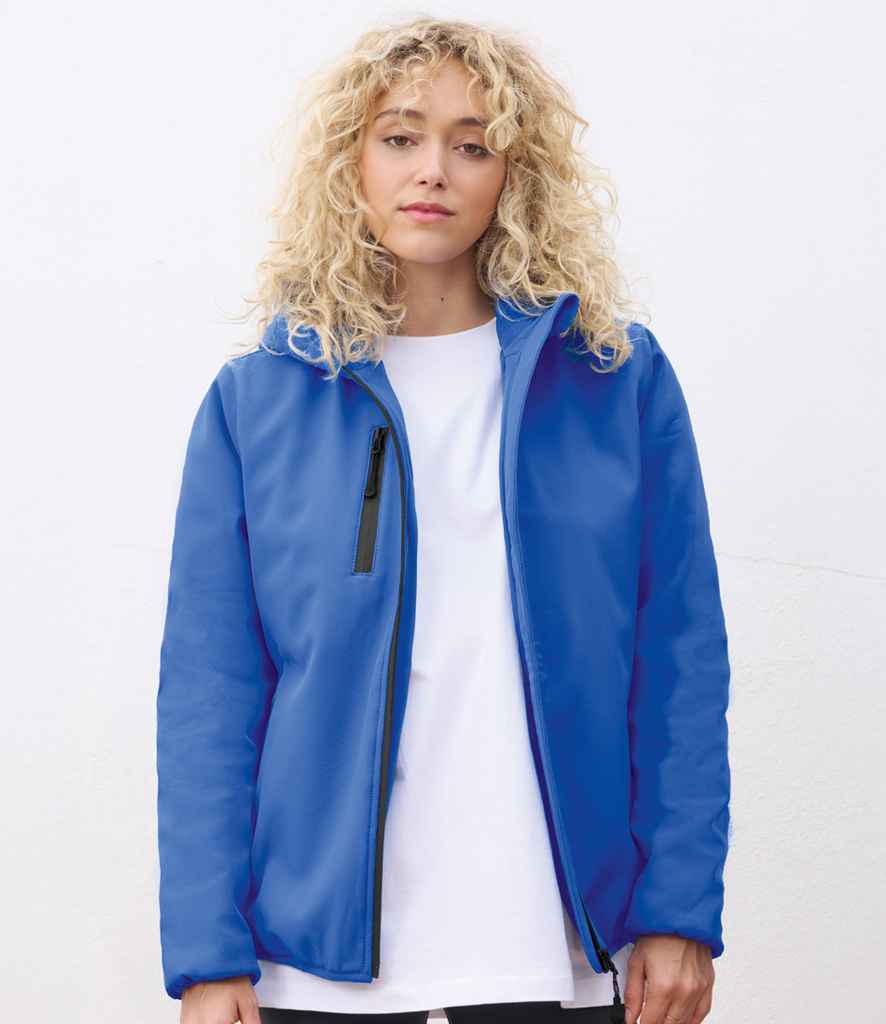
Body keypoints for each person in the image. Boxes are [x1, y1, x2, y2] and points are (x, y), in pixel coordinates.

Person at [156, 17, 732, 1024]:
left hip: (553, 944)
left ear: (516, 175)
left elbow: (677, 662)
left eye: (473, 144)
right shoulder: (259, 401)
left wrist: (678, 910)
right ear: (350, 162)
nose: (433, 170)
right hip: (313, 960)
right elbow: (211, 693)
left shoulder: (614, 381)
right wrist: (208, 955)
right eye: (400, 136)